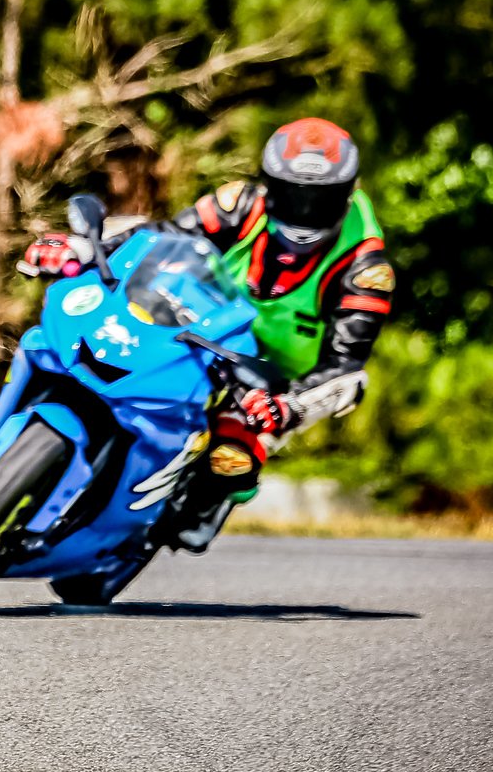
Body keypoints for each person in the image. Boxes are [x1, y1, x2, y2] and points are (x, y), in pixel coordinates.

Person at [21, 117, 394, 551]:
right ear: (270, 185)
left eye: (320, 200)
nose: (303, 212)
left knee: (231, 458)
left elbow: (345, 367)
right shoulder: (240, 202)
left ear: (347, 196)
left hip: (271, 379)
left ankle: (181, 516)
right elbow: (161, 236)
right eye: (292, 196)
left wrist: (288, 405)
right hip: (200, 327)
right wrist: (83, 246)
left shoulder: (366, 268)